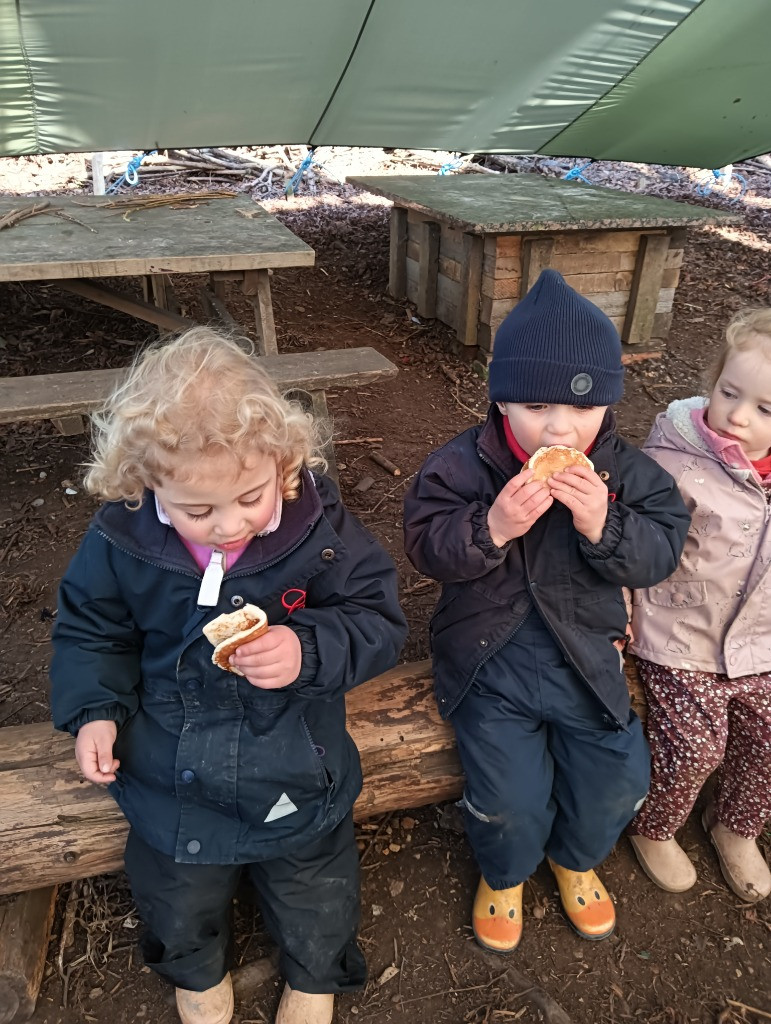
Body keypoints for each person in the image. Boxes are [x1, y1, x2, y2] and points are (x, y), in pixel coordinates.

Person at [50, 327, 407, 1024]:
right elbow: (92, 627)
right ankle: (194, 971)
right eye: (197, 510)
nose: (228, 526)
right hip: (171, 762)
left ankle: (314, 974)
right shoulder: (122, 539)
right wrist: (94, 709)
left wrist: (307, 648)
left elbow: (378, 618)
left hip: (296, 758)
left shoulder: (318, 527)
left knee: (315, 880)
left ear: (283, 460)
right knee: (175, 886)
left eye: (250, 496)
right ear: (146, 480)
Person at [403, 269, 690, 953]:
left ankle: (576, 858)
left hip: (586, 661)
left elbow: (660, 551)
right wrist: (489, 528)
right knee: (507, 796)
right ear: (500, 402)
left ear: (608, 406)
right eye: (534, 406)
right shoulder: (463, 465)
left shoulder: (626, 474)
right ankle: (503, 872)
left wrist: (605, 526)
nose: (557, 427)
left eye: (580, 410)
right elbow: (423, 545)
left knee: (617, 781)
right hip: (489, 661)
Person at [628, 307, 771, 903]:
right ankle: (656, 825)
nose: (737, 415)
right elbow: (630, 544)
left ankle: (736, 825)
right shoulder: (674, 462)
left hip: (759, 639)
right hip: (681, 633)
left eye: (765, 409)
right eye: (728, 392)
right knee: (695, 742)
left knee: (767, 735)